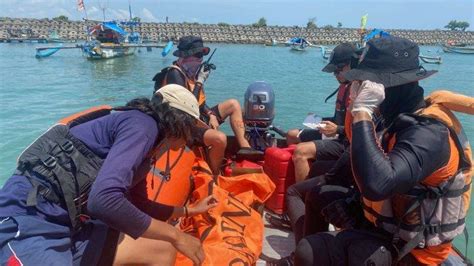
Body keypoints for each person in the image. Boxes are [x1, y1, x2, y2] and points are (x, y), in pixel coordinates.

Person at [294, 37, 472, 265]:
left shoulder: (429, 133)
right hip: (390, 226)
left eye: (367, 82)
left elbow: (378, 185)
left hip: (414, 249)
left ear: (388, 86)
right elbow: (357, 159)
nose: (360, 87)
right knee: (319, 196)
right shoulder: (395, 118)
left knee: (309, 251)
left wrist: (362, 112)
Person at [0, 84, 218, 265]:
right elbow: (102, 201)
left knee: (161, 249)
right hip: (29, 221)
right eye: (192, 130)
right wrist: (176, 235)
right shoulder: (142, 125)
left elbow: (138, 205)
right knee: (170, 241)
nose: (192, 138)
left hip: (70, 227)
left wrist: (189, 210)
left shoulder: (147, 148)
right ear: (179, 122)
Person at [153, 36, 261, 174]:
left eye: (202, 55)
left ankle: (246, 149)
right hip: (182, 123)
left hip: (196, 117)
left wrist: (211, 114)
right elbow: (186, 106)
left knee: (233, 104)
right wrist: (200, 82)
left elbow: (200, 103)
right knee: (219, 139)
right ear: (185, 56)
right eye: (198, 55)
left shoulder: (190, 74)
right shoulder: (175, 74)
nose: (201, 59)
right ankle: (214, 176)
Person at [288, 43, 356, 183]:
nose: (335, 75)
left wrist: (337, 129)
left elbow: (363, 129)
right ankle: (299, 177)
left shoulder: (360, 92)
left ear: (351, 65)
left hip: (348, 142)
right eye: (334, 72)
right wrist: (319, 121)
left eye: (337, 71)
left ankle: (300, 196)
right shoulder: (344, 87)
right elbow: (339, 118)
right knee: (291, 134)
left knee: (301, 151)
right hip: (338, 133)